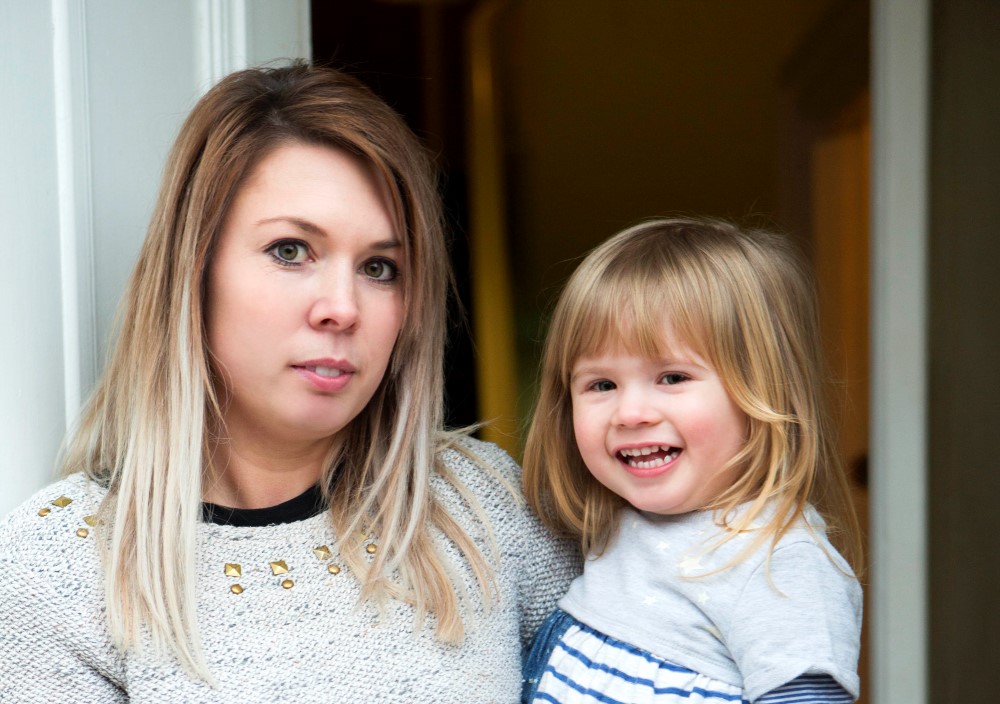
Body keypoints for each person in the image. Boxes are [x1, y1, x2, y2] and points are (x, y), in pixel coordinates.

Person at [0, 63, 577, 702]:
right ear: (194, 270)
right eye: (290, 251)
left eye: (380, 267)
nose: (343, 306)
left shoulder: (482, 507)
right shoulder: (60, 564)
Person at [521, 217, 863, 703]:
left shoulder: (780, 560)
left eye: (672, 377)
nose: (631, 413)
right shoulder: (617, 529)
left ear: (761, 390)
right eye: (601, 385)